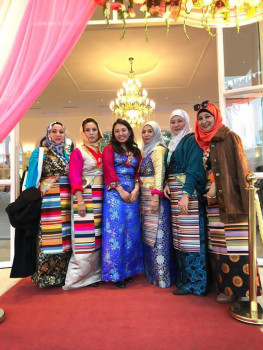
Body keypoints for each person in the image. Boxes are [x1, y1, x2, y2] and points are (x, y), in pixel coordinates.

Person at [195, 100, 262, 303]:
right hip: (213, 203)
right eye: (200, 118)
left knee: (237, 244)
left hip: (230, 198)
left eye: (208, 117)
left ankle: (244, 291)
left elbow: (238, 169)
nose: (204, 121)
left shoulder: (229, 137)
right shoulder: (203, 143)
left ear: (216, 116)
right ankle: (225, 288)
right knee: (219, 246)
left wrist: (216, 185)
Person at [164, 109, 209, 296]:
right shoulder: (172, 144)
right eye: (172, 122)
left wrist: (186, 193)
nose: (175, 125)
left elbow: (194, 168)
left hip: (186, 194)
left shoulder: (192, 139)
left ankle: (197, 284)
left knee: (191, 239)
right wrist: (167, 182)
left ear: (187, 122)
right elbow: (171, 168)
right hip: (175, 194)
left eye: (179, 121)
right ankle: (185, 280)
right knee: (181, 239)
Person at [26, 122, 71, 288]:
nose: (58, 134)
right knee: (48, 236)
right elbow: (31, 180)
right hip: (48, 201)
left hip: (66, 201)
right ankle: (45, 277)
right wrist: (30, 199)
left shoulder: (67, 153)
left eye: (61, 131)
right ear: (48, 134)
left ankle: (63, 275)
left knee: (65, 237)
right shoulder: (40, 152)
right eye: (54, 131)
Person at [101, 118, 143, 288]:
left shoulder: (136, 151)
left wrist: (136, 190)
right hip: (114, 193)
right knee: (115, 232)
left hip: (132, 193)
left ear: (129, 131)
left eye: (123, 130)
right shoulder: (109, 148)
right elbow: (108, 169)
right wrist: (120, 190)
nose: (120, 133)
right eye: (117, 131)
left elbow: (138, 172)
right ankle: (115, 273)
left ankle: (128, 270)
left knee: (131, 231)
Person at [63, 118, 103, 290]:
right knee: (84, 238)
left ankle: (95, 274)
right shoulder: (78, 152)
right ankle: (77, 278)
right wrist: (79, 200)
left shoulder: (100, 151)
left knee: (98, 237)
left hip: (100, 199)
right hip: (85, 197)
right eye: (88, 130)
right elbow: (74, 176)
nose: (92, 133)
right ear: (83, 132)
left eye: (94, 129)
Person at [140, 121, 175, 288]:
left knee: (158, 235)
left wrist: (155, 197)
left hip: (155, 199)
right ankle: (152, 274)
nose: (146, 134)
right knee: (149, 236)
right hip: (145, 198)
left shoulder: (159, 150)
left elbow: (160, 173)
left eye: (150, 131)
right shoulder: (146, 151)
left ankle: (162, 276)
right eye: (144, 131)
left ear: (156, 133)